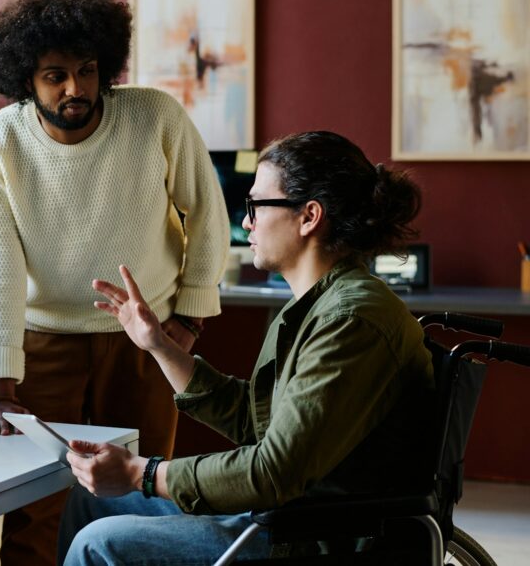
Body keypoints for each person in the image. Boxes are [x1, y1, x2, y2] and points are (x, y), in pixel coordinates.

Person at [58, 131, 435, 564]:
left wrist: (138, 473)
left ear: (309, 216)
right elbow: (254, 421)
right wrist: (158, 344)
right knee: (87, 503)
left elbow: (272, 471)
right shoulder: (318, 305)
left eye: (257, 205)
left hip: (313, 535)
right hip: (285, 513)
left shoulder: (351, 321)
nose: (247, 220)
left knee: (98, 541)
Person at [0, 0, 230, 565]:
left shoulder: (154, 116)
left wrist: (188, 316)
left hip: (143, 339)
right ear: (25, 80)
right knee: (33, 503)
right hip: (45, 342)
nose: (74, 88)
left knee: (142, 492)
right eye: (54, 75)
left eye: (86, 70)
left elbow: (208, 212)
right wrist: (2, 383)